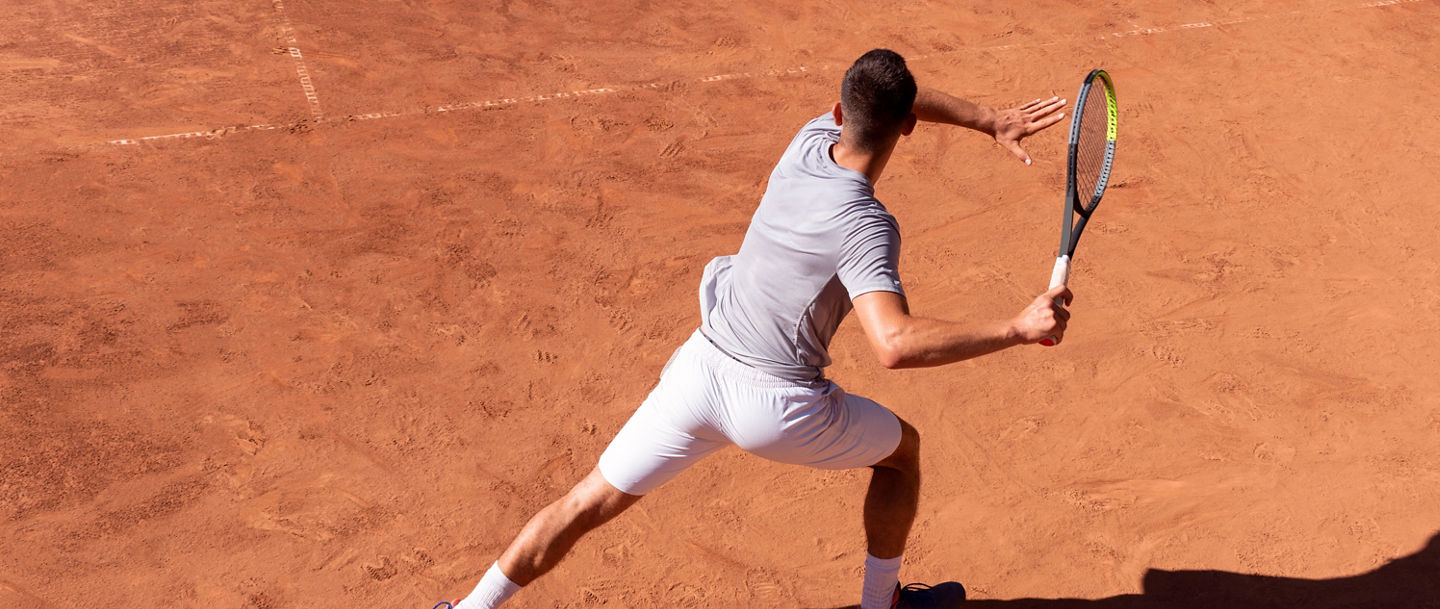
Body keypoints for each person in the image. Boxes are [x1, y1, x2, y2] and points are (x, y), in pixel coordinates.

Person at [441, 49, 1071, 609]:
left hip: (696, 372)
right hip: (778, 405)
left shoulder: (805, 140)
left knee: (584, 503)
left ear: (837, 111)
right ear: (908, 126)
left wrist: (988, 118)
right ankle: (882, 605)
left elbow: (883, 96)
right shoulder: (868, 226)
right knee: (901, 454)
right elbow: (894, 344)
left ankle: (470, 607)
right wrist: (1017, 327)